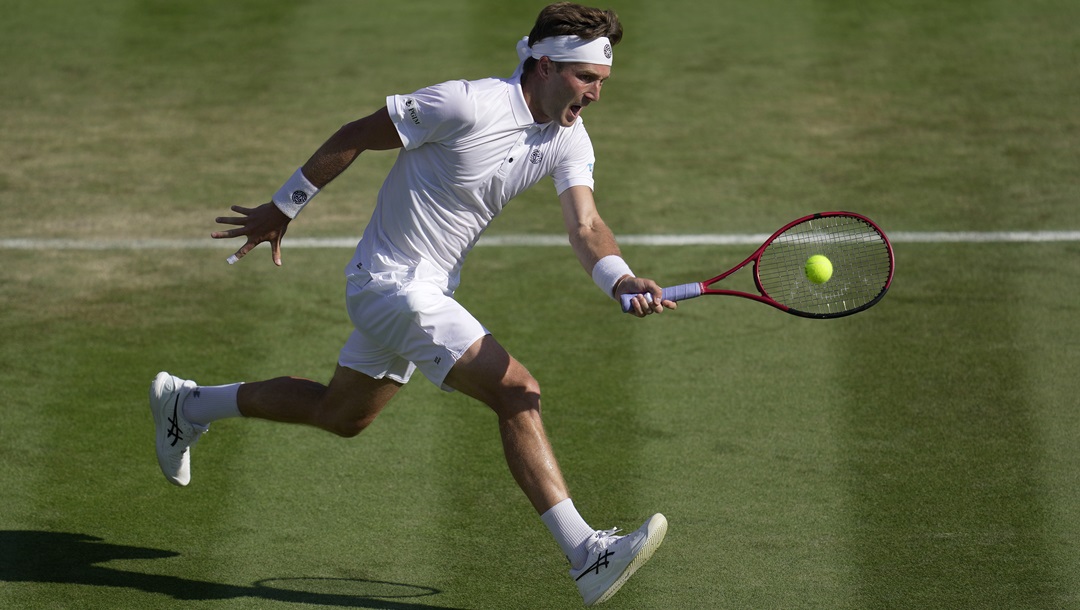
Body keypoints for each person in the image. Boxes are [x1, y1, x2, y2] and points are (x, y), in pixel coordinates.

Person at [150, 3, 677, 606]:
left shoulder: (567, 139)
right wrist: (282, 207)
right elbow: (357, 134)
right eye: (588, 79)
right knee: (516, 391)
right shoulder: (464, 104)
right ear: (547, 65)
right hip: (391, 283)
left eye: (602, 83)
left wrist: (621, 279)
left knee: (342, 414)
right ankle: (587, 553)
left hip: (423, 292)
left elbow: (586, 226)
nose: (595, 96)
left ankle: (188, 405)